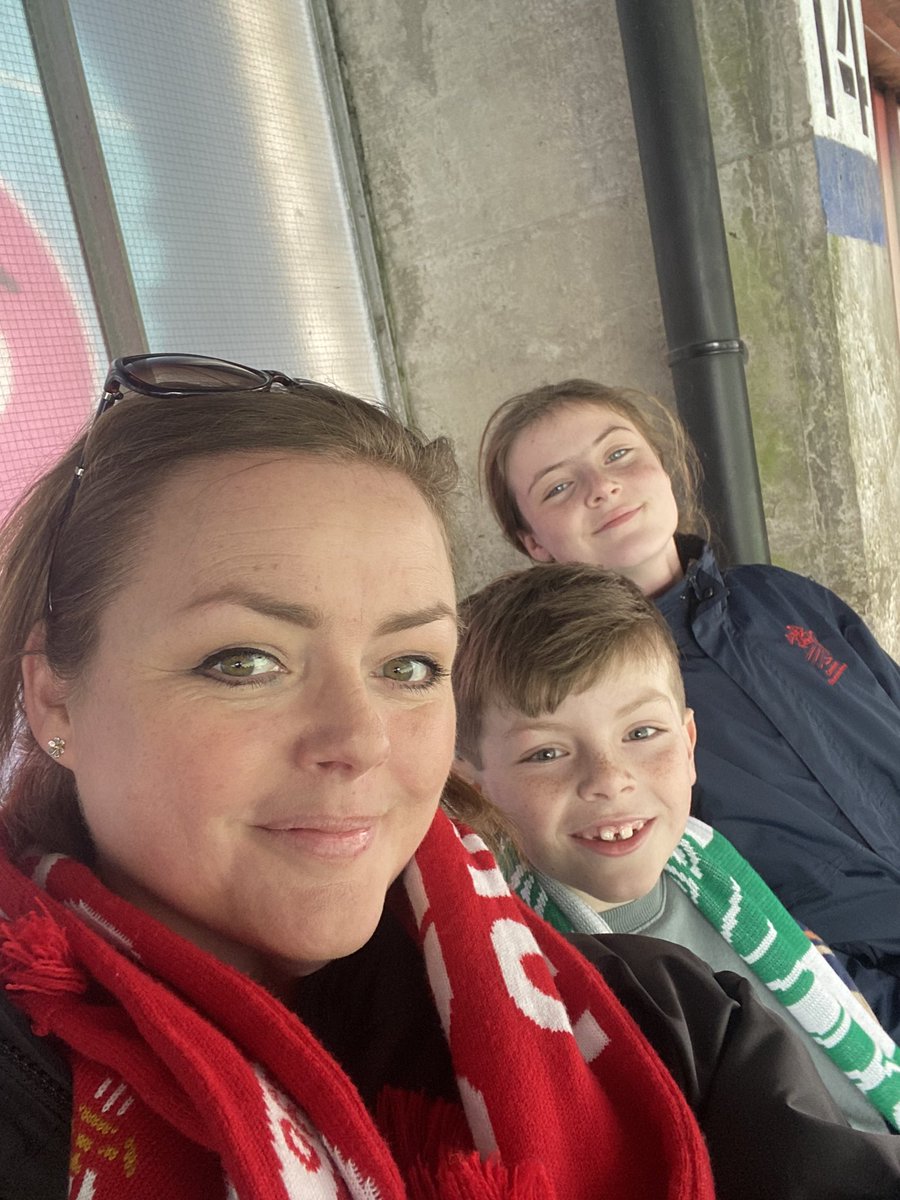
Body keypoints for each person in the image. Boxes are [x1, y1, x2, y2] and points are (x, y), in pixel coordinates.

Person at [0, 357, 897, 1200]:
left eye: (410, 667)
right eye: (246, 660)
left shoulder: (666, 1024)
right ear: (55, 699)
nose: (361, 740)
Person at [479, 378, 900, 1039]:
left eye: (619, 454)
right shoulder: (576, 693)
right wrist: (855, 1004)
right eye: (558, 486)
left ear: (667, 467)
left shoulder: (781, 598)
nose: (602, 486)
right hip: (862, 999)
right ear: (535, 545)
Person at [450, 561, 900, 1136]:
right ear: (471, 787)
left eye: (641, 733)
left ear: (689, 746)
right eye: (546, 753)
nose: (609, 779)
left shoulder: (711, 865)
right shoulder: (519, 975)